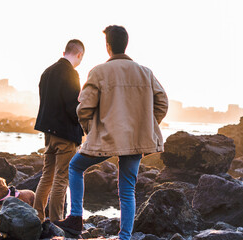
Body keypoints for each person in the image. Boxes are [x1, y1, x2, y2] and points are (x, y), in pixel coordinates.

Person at [54, 26, 168, 240]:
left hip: (106, 138)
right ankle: (125, 237)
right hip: (136, 139)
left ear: (108, 47)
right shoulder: (146, 72)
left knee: (75, 166)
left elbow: (83, 109)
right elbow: (162, 103)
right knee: (127, 190)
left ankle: (76, 218)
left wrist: (92, 132)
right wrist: (146, 127)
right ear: (125, 44)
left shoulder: (99, 72)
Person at [33, 39, 85, 223]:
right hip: (65, 134)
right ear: (79, 54)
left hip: (48, 132)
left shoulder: (47, 72)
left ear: (65, 52)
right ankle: (56, 221)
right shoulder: (71, 73)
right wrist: (82, 128)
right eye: (81, 58)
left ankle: (38, 217)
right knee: (61, 178)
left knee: (47, 175)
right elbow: (74, 108)